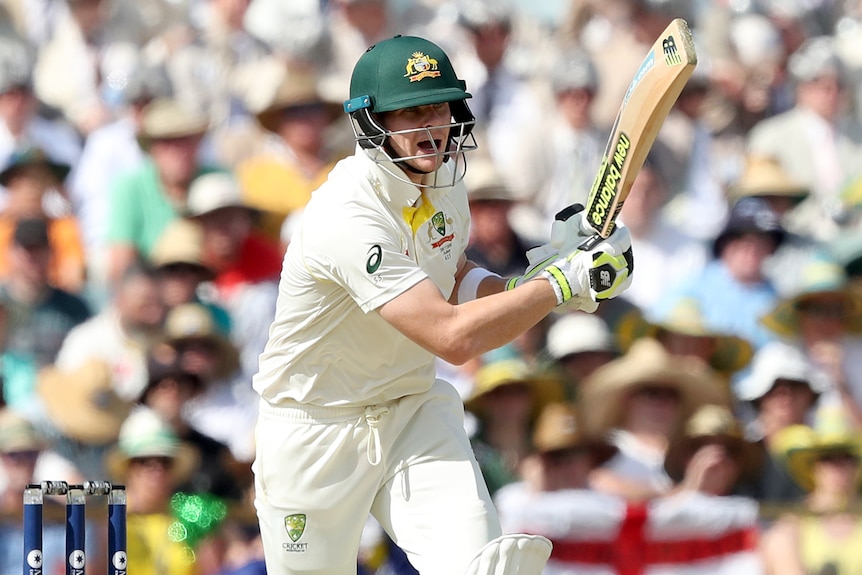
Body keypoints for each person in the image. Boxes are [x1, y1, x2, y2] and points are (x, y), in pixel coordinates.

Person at [252, 34, 633, 575]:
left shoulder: (444, 181)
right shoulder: (345, 216)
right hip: (316, 429)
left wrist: (537, 282)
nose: (431, 126)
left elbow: (452, 278)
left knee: (480, 566)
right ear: (369, 123)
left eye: (439, 107)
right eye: (409, 113)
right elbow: (452, 337)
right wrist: (558, 287)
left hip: (410, 410)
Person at [761, 419, 862, 575]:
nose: (838, 466)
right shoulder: (790, 527)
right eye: (827, 457)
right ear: (814, 466)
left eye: (847, 457)